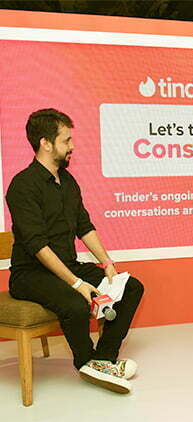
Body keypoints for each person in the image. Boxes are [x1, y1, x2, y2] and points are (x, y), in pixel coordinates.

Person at [6, 109, 144, 393]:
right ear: (46, 143)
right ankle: (86, 362)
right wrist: (77, 283)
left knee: (131, 287)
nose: (72, 146)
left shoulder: (68, 182)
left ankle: (103, 360)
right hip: (30, 274)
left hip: (67, 265)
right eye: (66, 140)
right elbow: (38, 246)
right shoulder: (22, 186)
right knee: (75, 303)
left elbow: (85, 227)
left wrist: (107, 263)